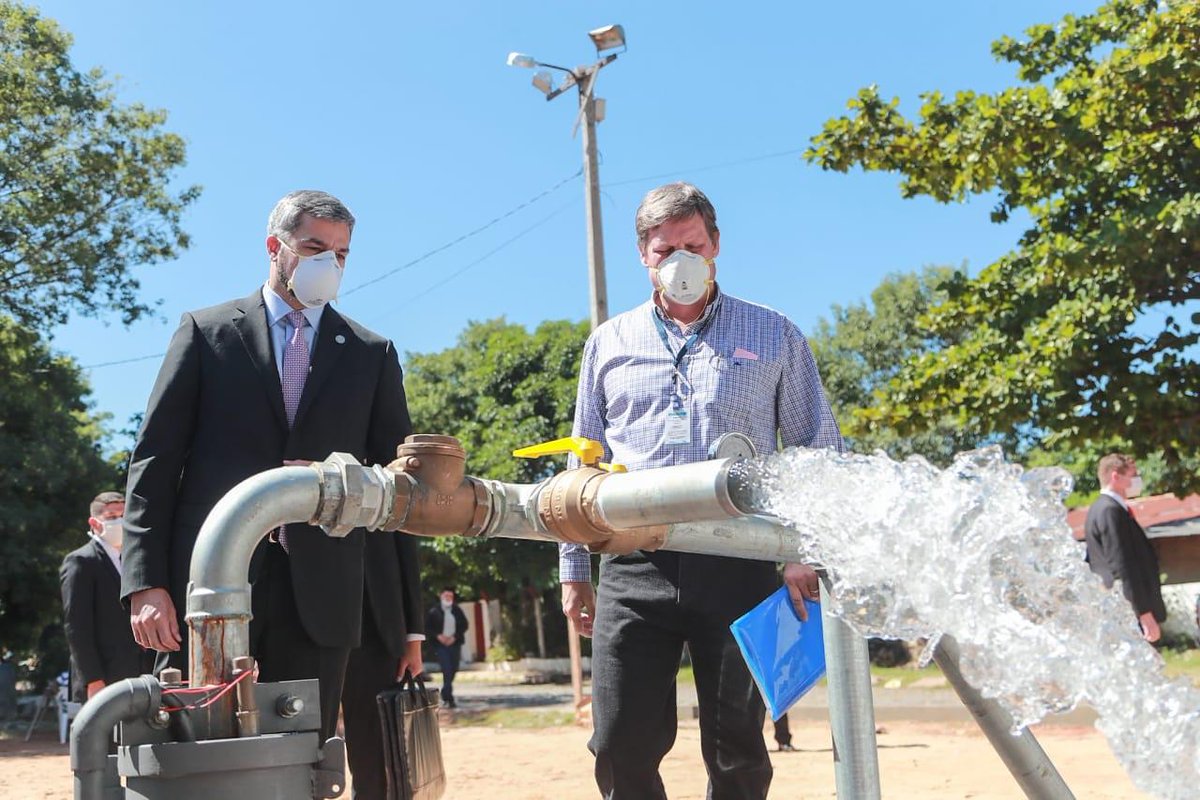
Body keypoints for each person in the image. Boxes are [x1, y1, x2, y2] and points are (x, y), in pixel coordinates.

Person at [560, 182, 843, 799]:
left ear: (715, 245)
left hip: (739, 561)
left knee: (737, 750)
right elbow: (585, 460)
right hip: (634, 562)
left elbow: (816, 447)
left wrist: (803, 549)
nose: (679, 261)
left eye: (692, 245)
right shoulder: (608, 343)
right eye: (665, 250)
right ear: (644, 254)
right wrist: (574, 568)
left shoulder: (774, 334)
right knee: (617, 744)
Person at [121, 190, 416, 741]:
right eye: (314, 247)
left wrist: (408, 624)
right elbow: (154, 464)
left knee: (300, 759)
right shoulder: (207, 333)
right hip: (208, 591)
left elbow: (398, 486)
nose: (329, 264)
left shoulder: (370, 354)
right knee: (196, 751)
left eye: (342, 254)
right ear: (274, 247)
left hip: (321, 593)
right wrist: (146, 583)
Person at [341, 534, 426, 800]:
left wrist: (413, 636)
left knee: (375, 748)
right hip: (295, 606)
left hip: (375, 618)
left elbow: (406, 535)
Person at [60, 491, 152, 703]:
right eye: (111, 517)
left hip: (142, 674)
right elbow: (77, 626)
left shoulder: (136, 559)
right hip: (105, 679)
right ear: (94, 522)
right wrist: (93, 680)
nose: (119, 522)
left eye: (123, 515)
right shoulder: (80, 562)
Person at [1083, 453, 1167, 643]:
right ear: (1115, 476)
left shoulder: (1106, 508)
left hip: (1126, 609)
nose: (1136, 480)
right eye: (1133, 475)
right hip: (1128, 610)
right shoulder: (1109, 510)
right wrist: (1143, 613)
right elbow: (1122, 564)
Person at [426, 587, 468, 709]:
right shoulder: (434, 611)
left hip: (454, 644)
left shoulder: (457, 610)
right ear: (441, 597)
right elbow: (428, 627)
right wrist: (438, 636)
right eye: (446, 596)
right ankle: (448, 698)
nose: (448, 598)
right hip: (440, 645)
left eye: (450, 596)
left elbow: (464, 625)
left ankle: (445, 691)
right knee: (447, 669)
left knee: (454, 668)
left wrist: (454, 637)